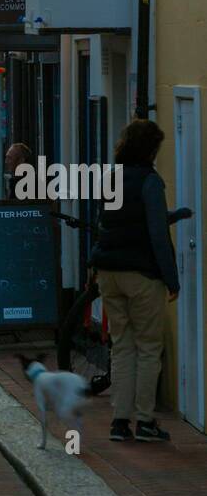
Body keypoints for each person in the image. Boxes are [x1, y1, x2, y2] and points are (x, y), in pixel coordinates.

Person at [90, 119, 192, 444]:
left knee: (122, 346)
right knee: (149, 347)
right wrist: (172, 279)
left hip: (108, 272)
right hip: (141, 274)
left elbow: (107, 222)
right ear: (150, 148)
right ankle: (145, 421)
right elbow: (157, 234)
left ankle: (120, 421)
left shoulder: (111, 178)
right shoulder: (150, 181)